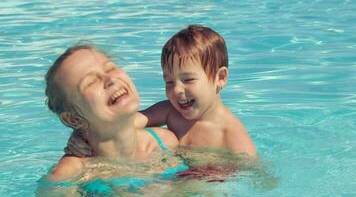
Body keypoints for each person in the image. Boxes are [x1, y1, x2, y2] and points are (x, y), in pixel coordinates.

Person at [67, 25, 256, 158]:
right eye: (169, 82)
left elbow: (255, 177)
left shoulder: (232, 137)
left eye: (188, 79)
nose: (177, 90)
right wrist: (83, 135)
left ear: (220, 78)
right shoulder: (169, 110)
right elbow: (122, 125)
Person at [38, 44, 186, 196]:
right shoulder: (69, 176)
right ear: (74, 119)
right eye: (90, 82)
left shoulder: (165, 142)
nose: (110, 79)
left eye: (110, 68)